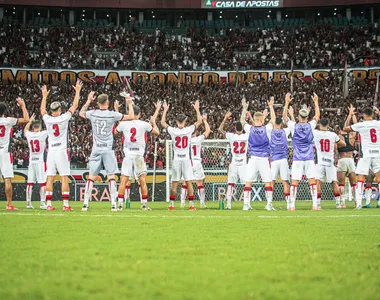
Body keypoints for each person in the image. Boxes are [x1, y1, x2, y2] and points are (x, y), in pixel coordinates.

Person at [79, 92, 134, 212]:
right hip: (108, 149)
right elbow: (130, 116)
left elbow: (81, 113)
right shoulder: (112, 115)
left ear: (97, 103)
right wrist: (129, 103)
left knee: (91, 177)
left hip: (96, 149)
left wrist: (88, 100)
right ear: (108, 102)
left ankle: (85, 204)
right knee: (111, 176)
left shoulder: (92, 113)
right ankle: (114, 204)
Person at [41, 82, 82, 211]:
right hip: (62, 150)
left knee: (50, 177)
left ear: (51, 111)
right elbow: (75, 105)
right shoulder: (64, 118)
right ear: (59, 110)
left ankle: (48, 204)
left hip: (51, 151)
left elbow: (42, 110)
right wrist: (77, 91)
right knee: (64, 176)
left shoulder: (47, 119)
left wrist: (44, 96)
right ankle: (65, 205)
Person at [114, 101, 161, 211]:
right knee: (142, 180)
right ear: (139, 114)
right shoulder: (144, 124)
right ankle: (144, 205)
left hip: (128, 155)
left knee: (123, 180)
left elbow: (116, 131)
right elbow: (157, 132)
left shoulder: (124, 124)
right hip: (139, 156)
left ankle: (120, 205)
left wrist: (116, 110)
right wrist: (154, 121)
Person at [161, 100, 202, 210]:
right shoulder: (188, 130)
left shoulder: (173, 131)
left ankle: (172, 205)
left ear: (176, 121)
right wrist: (197, 109)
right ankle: (192, 205)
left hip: (176, 159)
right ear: (185, 121)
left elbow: (163, 123)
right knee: (188, 182)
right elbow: (199, 121)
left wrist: (165, 110)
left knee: (174, 183)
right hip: (186, 160)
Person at [283, 92, 320, 211]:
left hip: (297, 158)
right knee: (312, 182)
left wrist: (286, 102)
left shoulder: (294, 126)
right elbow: (317, 117)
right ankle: (315, 205)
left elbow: (285, 118)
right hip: (309, 158)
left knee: (294, 182)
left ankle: (292, 206)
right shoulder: (310, 125)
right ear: (307, 117)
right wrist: (316, 102)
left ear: (299, 117)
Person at [240, 97, 275, 211]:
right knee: (267, 182)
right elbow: (273, 120)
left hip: (253, 158)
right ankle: (269, 205)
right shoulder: (267, 129)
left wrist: (245, 108)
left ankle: (246, 204)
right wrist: (270, 106)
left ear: (255, 119)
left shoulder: (250, 129)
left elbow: (242, 122)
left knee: (248, 181)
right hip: (264, 158)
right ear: (262, 120)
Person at [344, 107, 380, 209]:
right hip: (377, 153)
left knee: (360, 178)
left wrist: (350, 115)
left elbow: (346, 128)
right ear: (373, 114)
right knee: (379, 178)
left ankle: (359, 203)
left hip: (366, 154)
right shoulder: (378, 124)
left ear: (364, 115)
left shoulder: (361, 125)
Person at [0, 98, 29, 210]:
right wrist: (22, 105)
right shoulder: (8, 121)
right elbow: (26, 119)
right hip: (5, 152)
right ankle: (9, 204)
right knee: (7, 179)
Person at [313, 119, 346, 210]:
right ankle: (338, 204)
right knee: (334, 182)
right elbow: (343, 144)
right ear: (328, 124)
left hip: (320, 161)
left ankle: (318, 204)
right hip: (330, 161)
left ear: (319, 124)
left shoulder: (316, 133)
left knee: (318, 182)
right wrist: (335, 142)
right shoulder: (333, 135)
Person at [218, 111, 248, 210]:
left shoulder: (231, 136)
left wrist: (225, 118)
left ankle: (229, 205)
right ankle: (246, 205)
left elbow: (220, 129)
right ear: (242, 129)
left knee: (230, 184)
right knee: (246, 184)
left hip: (234, 163)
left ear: (235, 128)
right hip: (243, 164)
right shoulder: (246, 136)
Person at [180, 115, 210, 208]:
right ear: (195, 133)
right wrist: (204, 121)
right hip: (196, 162)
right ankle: (202, 203)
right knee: (199, 183)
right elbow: (208, 131)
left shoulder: (185, 140)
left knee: (185, 183)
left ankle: (182, 203)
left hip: (187, 162)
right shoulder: (198, 139)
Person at [268, 93, 292, 210]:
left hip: (273, 160)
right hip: (283, 160)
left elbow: (272, 120)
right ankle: (288, 204)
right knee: (285, 182)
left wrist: (271, 106)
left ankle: (270, 203)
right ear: (281, 123)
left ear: (274, 124)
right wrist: (286, 103)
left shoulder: (270, 132)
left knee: (271, 182)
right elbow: (284, 118)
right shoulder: (285, 131)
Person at [24, 113, 48, 210]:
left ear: (33, 128)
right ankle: (42, 203)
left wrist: (30, 121)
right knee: (42, 183)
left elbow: (25, 129)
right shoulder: (42, 134)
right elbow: (50, 129)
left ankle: (28, 203)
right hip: (40, 161)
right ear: (40, 127)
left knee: (30, 183)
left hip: (31, 161)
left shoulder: (29, 134)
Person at [336, 105, 357, 208]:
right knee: (354, 184)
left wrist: (350, 115)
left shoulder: (339, 137)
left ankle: (343, 203)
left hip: (342, 160)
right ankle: (356, 203)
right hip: (351, 160)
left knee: (341, 184)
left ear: (339, 128)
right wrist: (352, 115)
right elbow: (357, 126)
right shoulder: (352, 135)